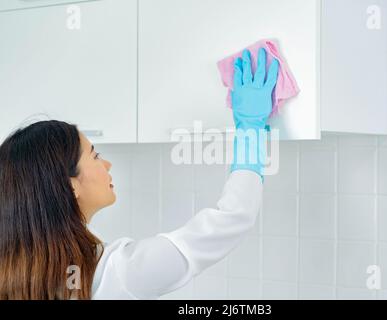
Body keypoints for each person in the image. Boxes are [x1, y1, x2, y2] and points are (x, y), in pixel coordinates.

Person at [0, 48, 279, 299]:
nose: (106, 165)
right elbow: (231, 220)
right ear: (69, 184)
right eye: (95, 155)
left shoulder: (13, 272)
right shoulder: (115, 274)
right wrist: (250, 127)